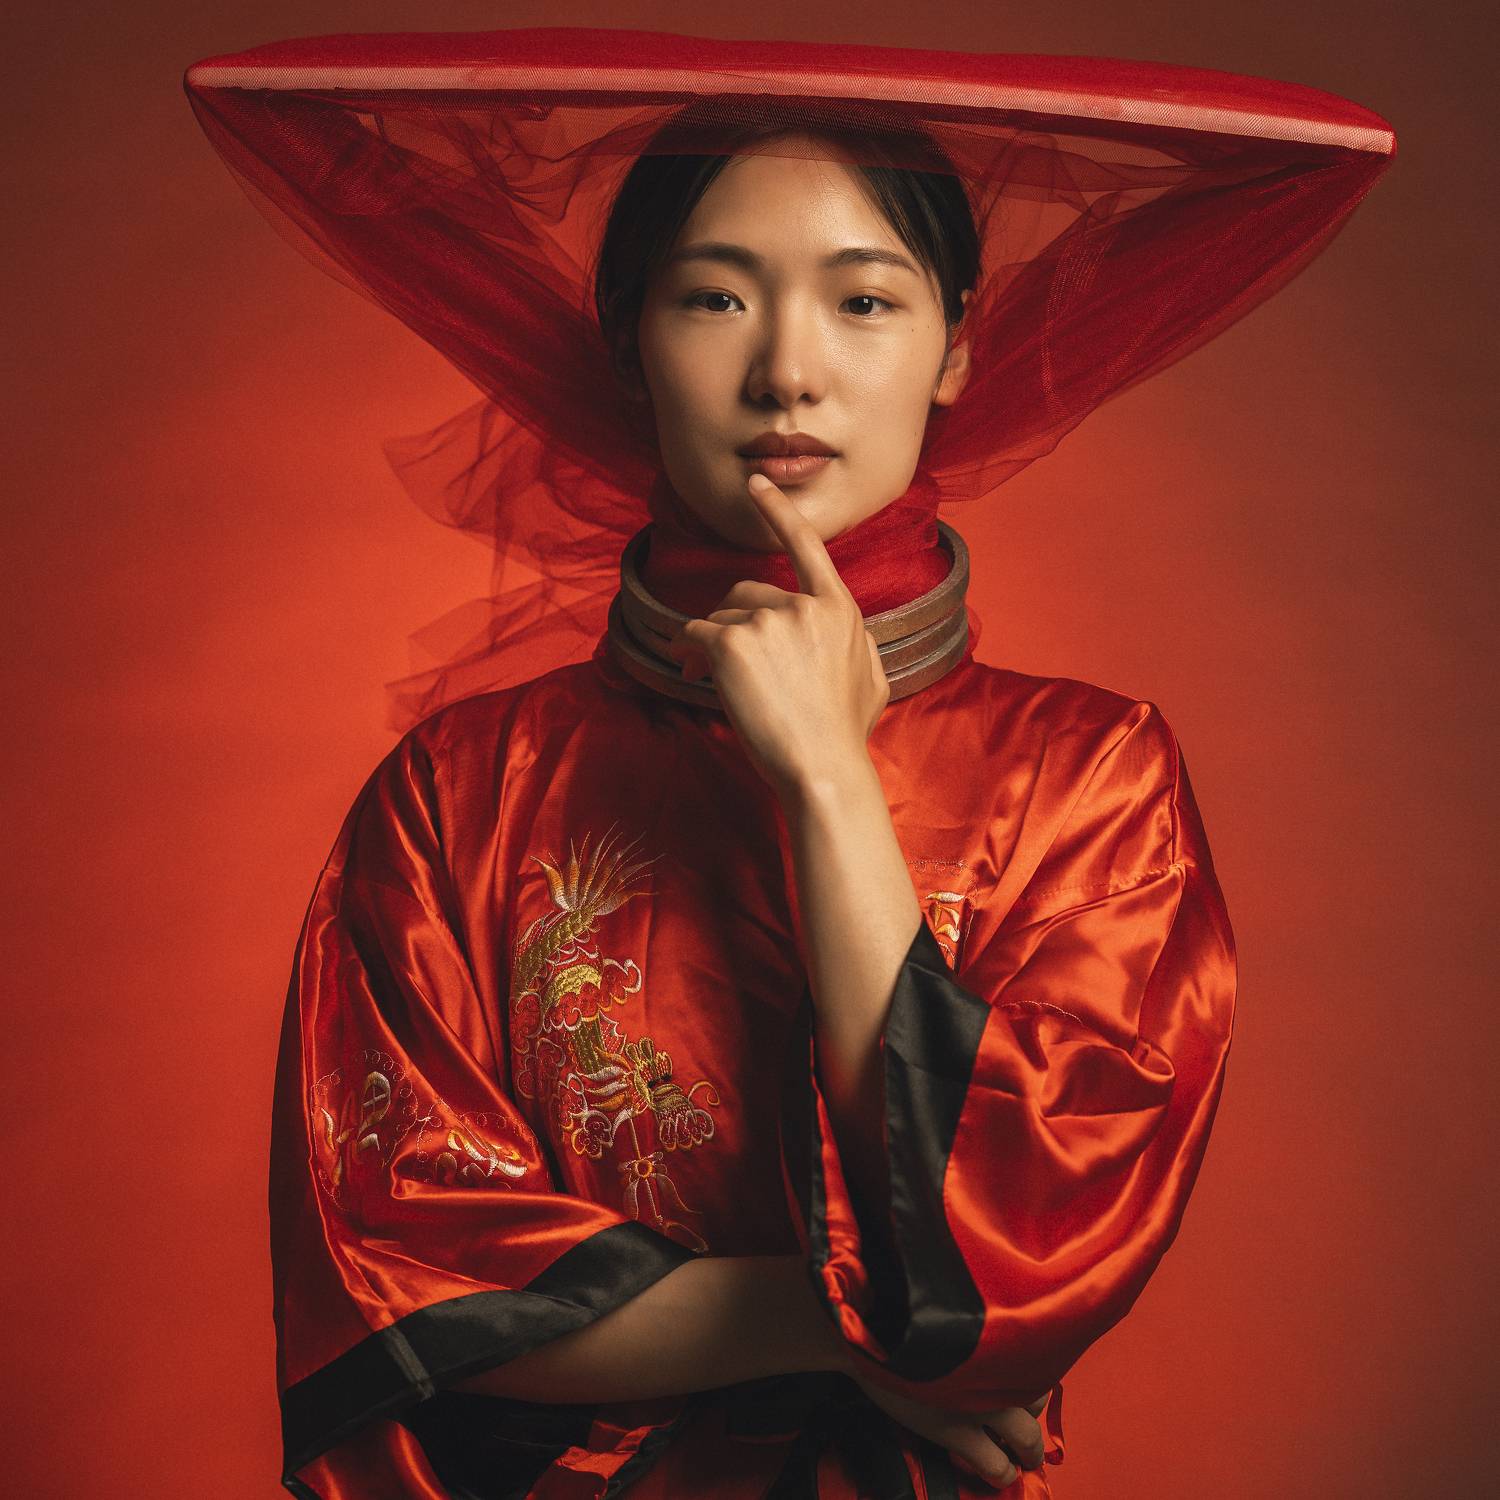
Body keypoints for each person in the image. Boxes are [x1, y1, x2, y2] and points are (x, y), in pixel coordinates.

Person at [183, 27, 1396, 1499]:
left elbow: (1015, 1266)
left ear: (955, 347)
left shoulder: (1093, 776)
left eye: (864, 299)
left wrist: (827, 772)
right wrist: (832, 1334)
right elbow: (403, 1279)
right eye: (713, 297)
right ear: (630, 339)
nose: (788, 370)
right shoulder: (460, 791)